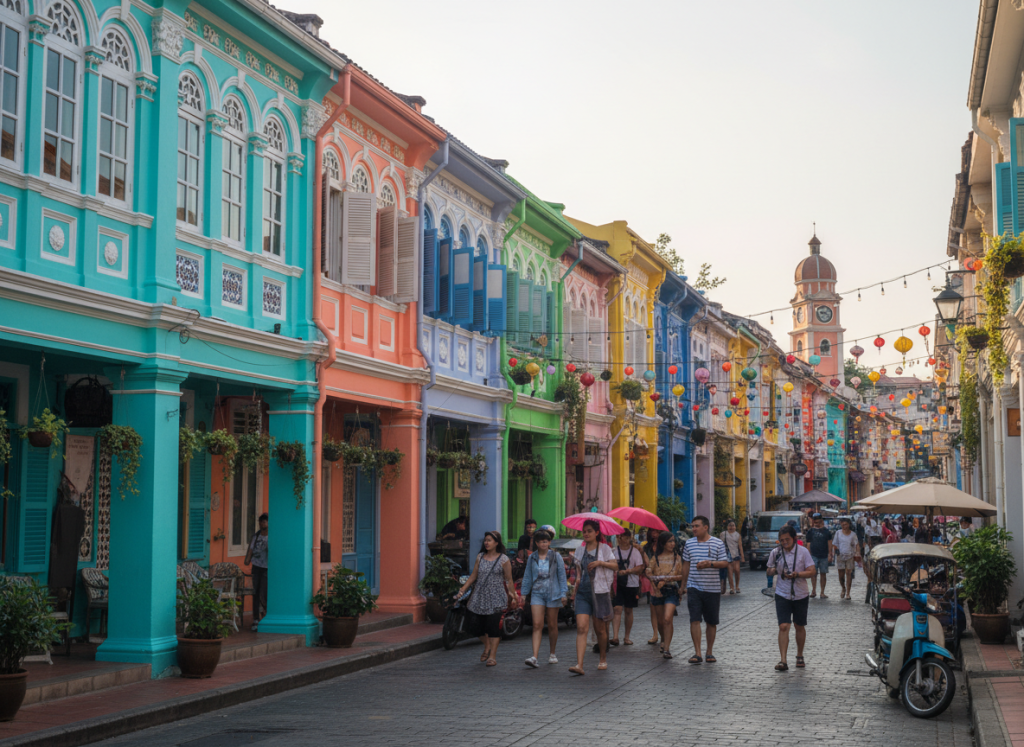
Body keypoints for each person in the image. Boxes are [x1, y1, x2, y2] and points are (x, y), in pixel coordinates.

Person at [456, 531, 518, 667]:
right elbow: (473, 576)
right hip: (479, 596)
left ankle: (492, 656)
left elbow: (509, 580)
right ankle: (487, 645)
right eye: (485, 540)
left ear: (496, 543)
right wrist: (462, 591)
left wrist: (513, 595)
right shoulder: (480, 557)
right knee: (474, 627)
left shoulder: (503, 559)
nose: (486, 543)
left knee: (493, 627)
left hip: (496, 596)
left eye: (489, 540)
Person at [570, 519, 616, 674]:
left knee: (600, 630)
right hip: (583, 592)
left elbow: (615, 566)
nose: (586, 534)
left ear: (597, 533)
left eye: (589, 531)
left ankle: (603, 658)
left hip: (599, 592)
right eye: (584, 531)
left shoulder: (604, 549)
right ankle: (579, 665)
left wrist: (600, 563)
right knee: (582, 627)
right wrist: (576, 581)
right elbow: (578, 570)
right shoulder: (579, 550)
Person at [681, 515, 729, 664]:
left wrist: (710, 564)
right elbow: (686, 565)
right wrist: (683, 585)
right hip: (694, 586)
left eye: (696, 526)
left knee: (711, 622)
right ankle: (697, 653)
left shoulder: (717, 543)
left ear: (705, 527)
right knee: (694, 619)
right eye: (692, 526)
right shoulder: (689, 544)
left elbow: (724, 563)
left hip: (712, 588)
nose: (693, 529)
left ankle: (709, 652)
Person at [767, 524, 815, 671]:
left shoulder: (803, 552)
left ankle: (799, 655)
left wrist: (797, 574)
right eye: (781, 540)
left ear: (794, 539)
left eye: (787, 539)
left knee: (799, 626)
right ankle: (783, 660)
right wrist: (775, 570)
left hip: (800, 594)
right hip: (782, 593)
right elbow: (768, 571)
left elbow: (812, 571)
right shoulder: (776, 552)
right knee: (783, 626)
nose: (784, 543)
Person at [520, 529, 567, 668]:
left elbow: (561, 575)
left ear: (549, 542)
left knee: (552, 625)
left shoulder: (555, 556)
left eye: (545, 542)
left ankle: (552, 653)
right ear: (536, 543)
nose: (543, 544)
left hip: (553, 593)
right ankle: (534, 656)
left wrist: (564, 593)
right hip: (537, 593)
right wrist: (523, 593)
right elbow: (527, 576)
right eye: (540, 542)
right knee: (537, 624)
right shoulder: (532, 557)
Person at [648, 531, 684, 658]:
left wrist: (668, 579)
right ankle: (663, 639)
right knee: (661, 621)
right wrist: (655, 582)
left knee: (668, 618)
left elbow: (682, 575)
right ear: (663, 543)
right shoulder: (656, 558)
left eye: (673, 541)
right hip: (657, 591)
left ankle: (667, 648)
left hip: (671, 590)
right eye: (670, 541)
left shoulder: (677, 558)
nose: (672, 544)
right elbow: (648, 572)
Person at [610, 528, 645, 647]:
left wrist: (628, 571)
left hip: (631, 584)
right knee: (617, 609)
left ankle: (627, 637)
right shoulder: (613, 551)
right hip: (617, 584)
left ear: (629, 538)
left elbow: (640, 567)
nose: (621, 539)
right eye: (619, 537)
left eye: (624, 537)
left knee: (629, 610)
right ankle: (615, 636)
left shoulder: (635, 552)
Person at [244, 513, 269, 631]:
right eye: (260, 522)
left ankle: (265, 613)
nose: (262, 524)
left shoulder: (271, 536)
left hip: (266, 567)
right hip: (256, 566)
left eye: (264, 522)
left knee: (264, 592)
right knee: (256, 592)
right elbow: (251, 549)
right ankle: (255, 618)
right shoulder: (256, 536)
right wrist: (247, 560)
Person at [804, 513, 832, 599]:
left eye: (818, 521)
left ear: (821, 521)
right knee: (813, 574)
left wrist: (830, 554)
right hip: (813, 555)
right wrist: (808, 556)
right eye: (815, 521)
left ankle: (822, 592)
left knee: (823, 574)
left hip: (824, 555)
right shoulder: (810, 531)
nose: (817, 523)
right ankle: (814, 590)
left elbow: (829, 543)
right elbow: (808, 544)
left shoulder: (827, 531)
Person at [642, 527, 662, 645]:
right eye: (653, 532)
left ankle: (663, 633)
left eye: (657, 532)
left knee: (663, 609)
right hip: (651, 578)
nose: (654, 534)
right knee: (653, 607)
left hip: (663, 578)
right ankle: (655, 633)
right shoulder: (646, 547)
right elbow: (644, 564)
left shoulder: (665, 545)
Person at [833, 517, 860, 600]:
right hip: (840, 556)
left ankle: (848, 592)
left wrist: (857, 553)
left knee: (849, 574)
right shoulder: (838, 533)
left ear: (849, 525)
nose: (844, 526)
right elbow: (835, 544)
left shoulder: (853, 534)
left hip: (850, 556)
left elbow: (856, 545)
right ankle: (843, 587)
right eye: (843, 524)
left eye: (846, 524)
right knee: (841, 575)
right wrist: (835, 551)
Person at [720, 520, 744, 594]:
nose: (731, 527)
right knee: (730, 572)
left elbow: (740, 546)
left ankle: (737, 586)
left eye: (733, 525)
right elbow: (720, 545)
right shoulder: (723, 534)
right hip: (727, 555)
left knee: (737, 570)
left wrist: (742, 556)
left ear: (735, 527)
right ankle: (732, 588)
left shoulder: (738, 535)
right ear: (727, 527)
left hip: (736, 554)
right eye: (730, 525)